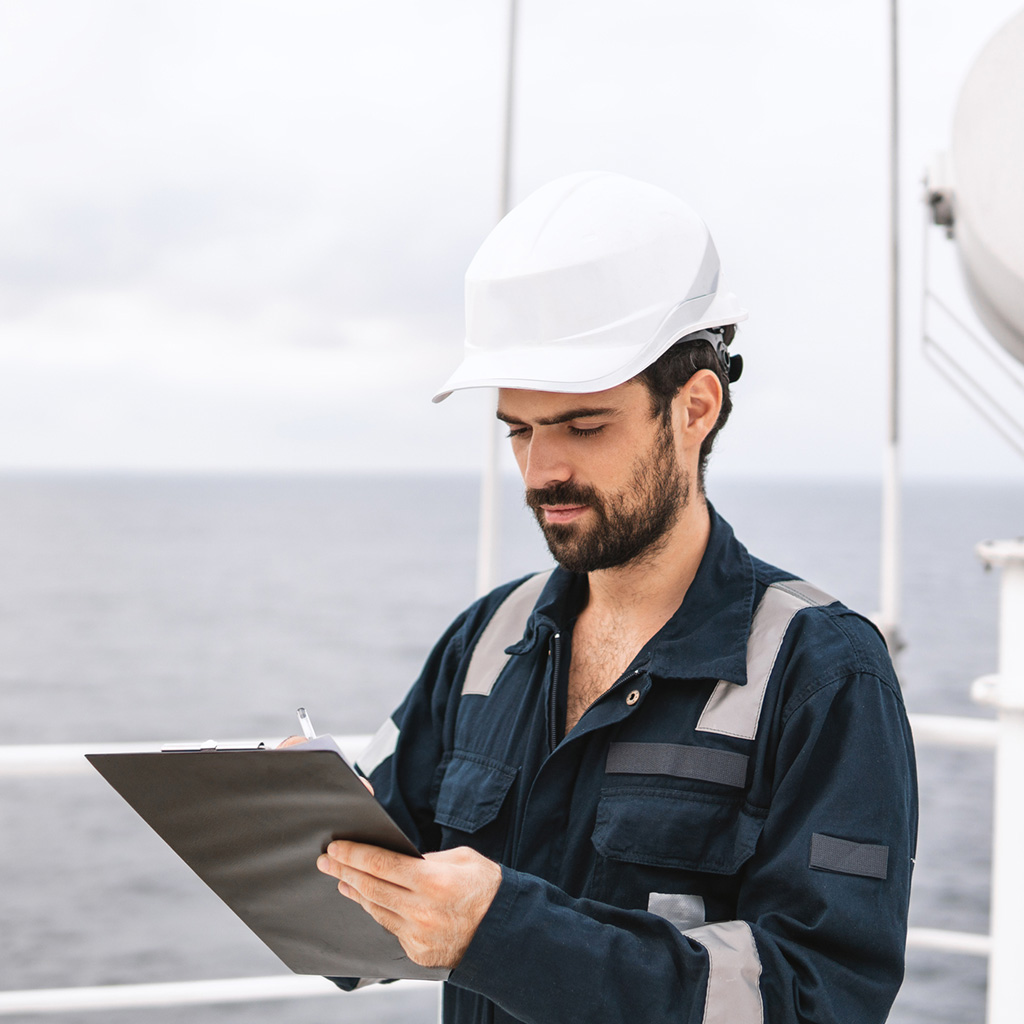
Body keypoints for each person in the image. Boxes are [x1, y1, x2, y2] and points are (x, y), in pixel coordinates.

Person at [315, 172, 918, 1024]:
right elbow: (367, 923)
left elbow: (822, 996)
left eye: (583, 426)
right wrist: (295, 833)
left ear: (694, 409)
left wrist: (504, 932)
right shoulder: (485, 640)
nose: (541, 471)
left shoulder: (823, 674)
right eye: (519, 430)